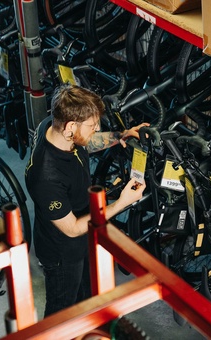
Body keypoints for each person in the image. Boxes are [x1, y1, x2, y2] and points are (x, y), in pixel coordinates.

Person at [25, 84, 148, 317]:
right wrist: (122, 203)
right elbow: (71, 229)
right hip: (62, 252)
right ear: (71, 126)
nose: (97, 128)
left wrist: (119, 136)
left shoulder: (52, 128)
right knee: (62, 312)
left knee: (88, 298)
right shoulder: (46, 175)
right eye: (92, 125)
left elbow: (86, 142)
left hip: (83, 240)